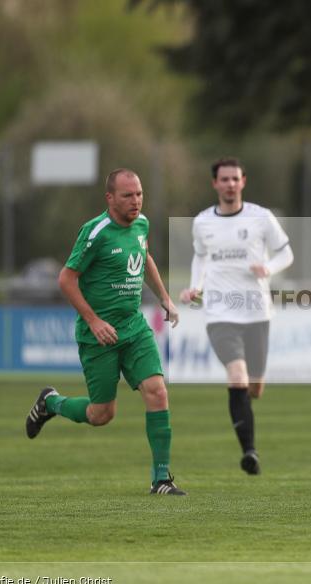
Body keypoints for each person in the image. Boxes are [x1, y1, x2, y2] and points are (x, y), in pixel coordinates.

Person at [25, 168, 186, 495]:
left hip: (133, 327)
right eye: (128, 195)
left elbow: (145, 256)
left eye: (139, 194)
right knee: (102, 414)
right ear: (110, 198)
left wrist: (165, 298)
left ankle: (161, 480)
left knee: (157, 391)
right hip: (99, 335)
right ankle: (51, 403)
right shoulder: (95, 231)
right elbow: (66, 279)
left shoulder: (141, 225)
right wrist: (95, 321)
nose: (136, 201)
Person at [179, 158, 293, 475]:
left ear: (243, 181)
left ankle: (247, 417)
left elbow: (286, 253)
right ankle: (250, 453)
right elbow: (200, 257)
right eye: (224, 179)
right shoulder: (202, 222)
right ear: (215, 184)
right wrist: (194, 287)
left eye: (235, 179)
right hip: (219, 312)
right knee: (237, 376)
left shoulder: (261, 218)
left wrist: (268, 268)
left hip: (256, 311)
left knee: (254, 387)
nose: (230, 184)